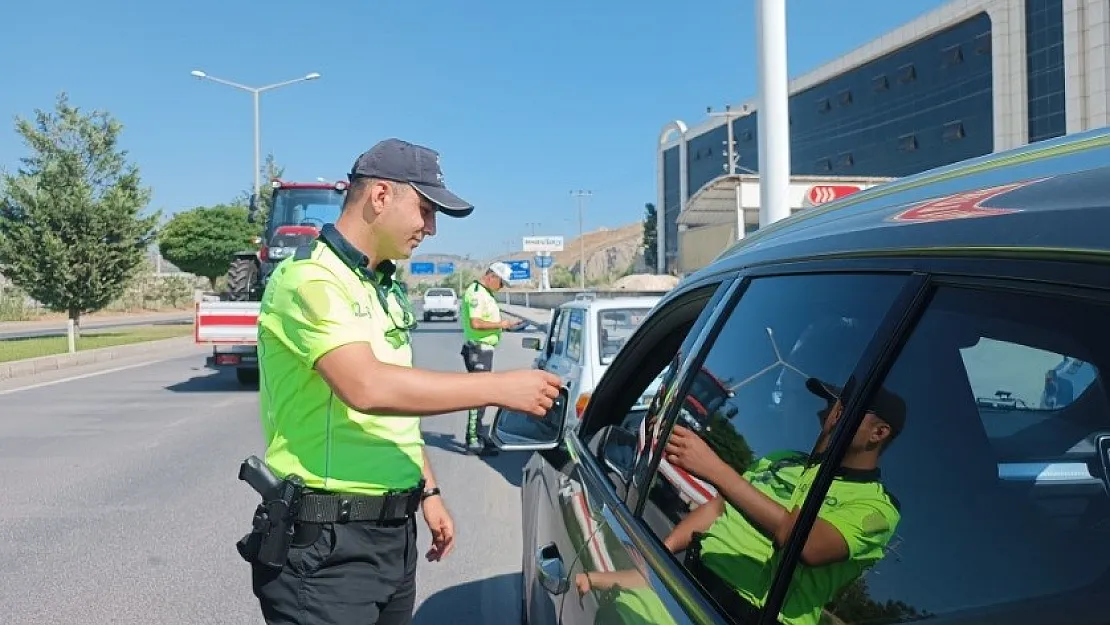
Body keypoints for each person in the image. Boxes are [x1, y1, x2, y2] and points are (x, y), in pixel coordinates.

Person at [239, 138, 562, 625]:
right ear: (381, 196)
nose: (430, 228)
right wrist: (499, 388)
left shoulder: (382, 289)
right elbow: (368, 388)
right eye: (426, 210)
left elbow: (400, 408)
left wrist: (427, 491)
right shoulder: (310, 280)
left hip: (393, 536)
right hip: (326, 548)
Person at [459, 261, 525, 454]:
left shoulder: (486, 293)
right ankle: (472, 439)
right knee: (478, 396)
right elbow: (476, 323)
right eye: (501, 283)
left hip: (485, 349)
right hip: (478, 350)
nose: (502, 287)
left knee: (483, 395)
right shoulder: (477, 293)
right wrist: (502, 324)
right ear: (492, 276)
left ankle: (478, 435)